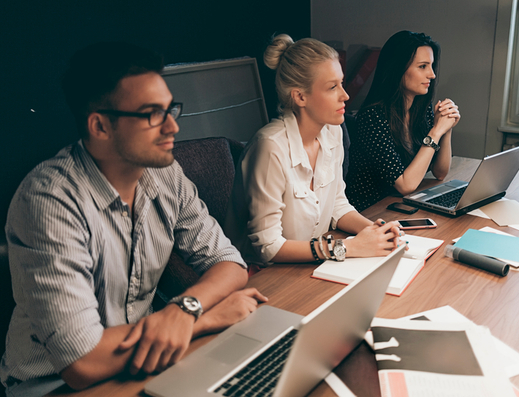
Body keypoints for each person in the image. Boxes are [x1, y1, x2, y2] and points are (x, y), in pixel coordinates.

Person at [1, 42, 267, 397]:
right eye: (152, 114)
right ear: (100, 126)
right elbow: (83, 362)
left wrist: (183, 310)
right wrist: (200, 319)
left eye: (171, 109)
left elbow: (230, 264)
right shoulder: (49, 202)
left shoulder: (166, 174)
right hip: (55, 387)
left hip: (145, 362)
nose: (172, 126)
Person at [225, 35, 401, 267]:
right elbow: (268, 247)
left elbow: (337, 204)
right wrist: (348, 247)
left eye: (341, 82)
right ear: (300, 96)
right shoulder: (270, 146)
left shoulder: (332, 131)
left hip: (308, 264)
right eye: (332, 87)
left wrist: (375, 231)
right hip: (263, 275)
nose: (345, 95)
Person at [345, 31, 461, 211]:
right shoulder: (373, 117)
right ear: (398, 69)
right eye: (422, 66)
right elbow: (405, 185)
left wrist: (446, 127)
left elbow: (440, 173)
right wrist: (436, 131)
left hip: (401, 206)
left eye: (431, 65)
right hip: (371, 212)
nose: (432, 75)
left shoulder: (421, 108)